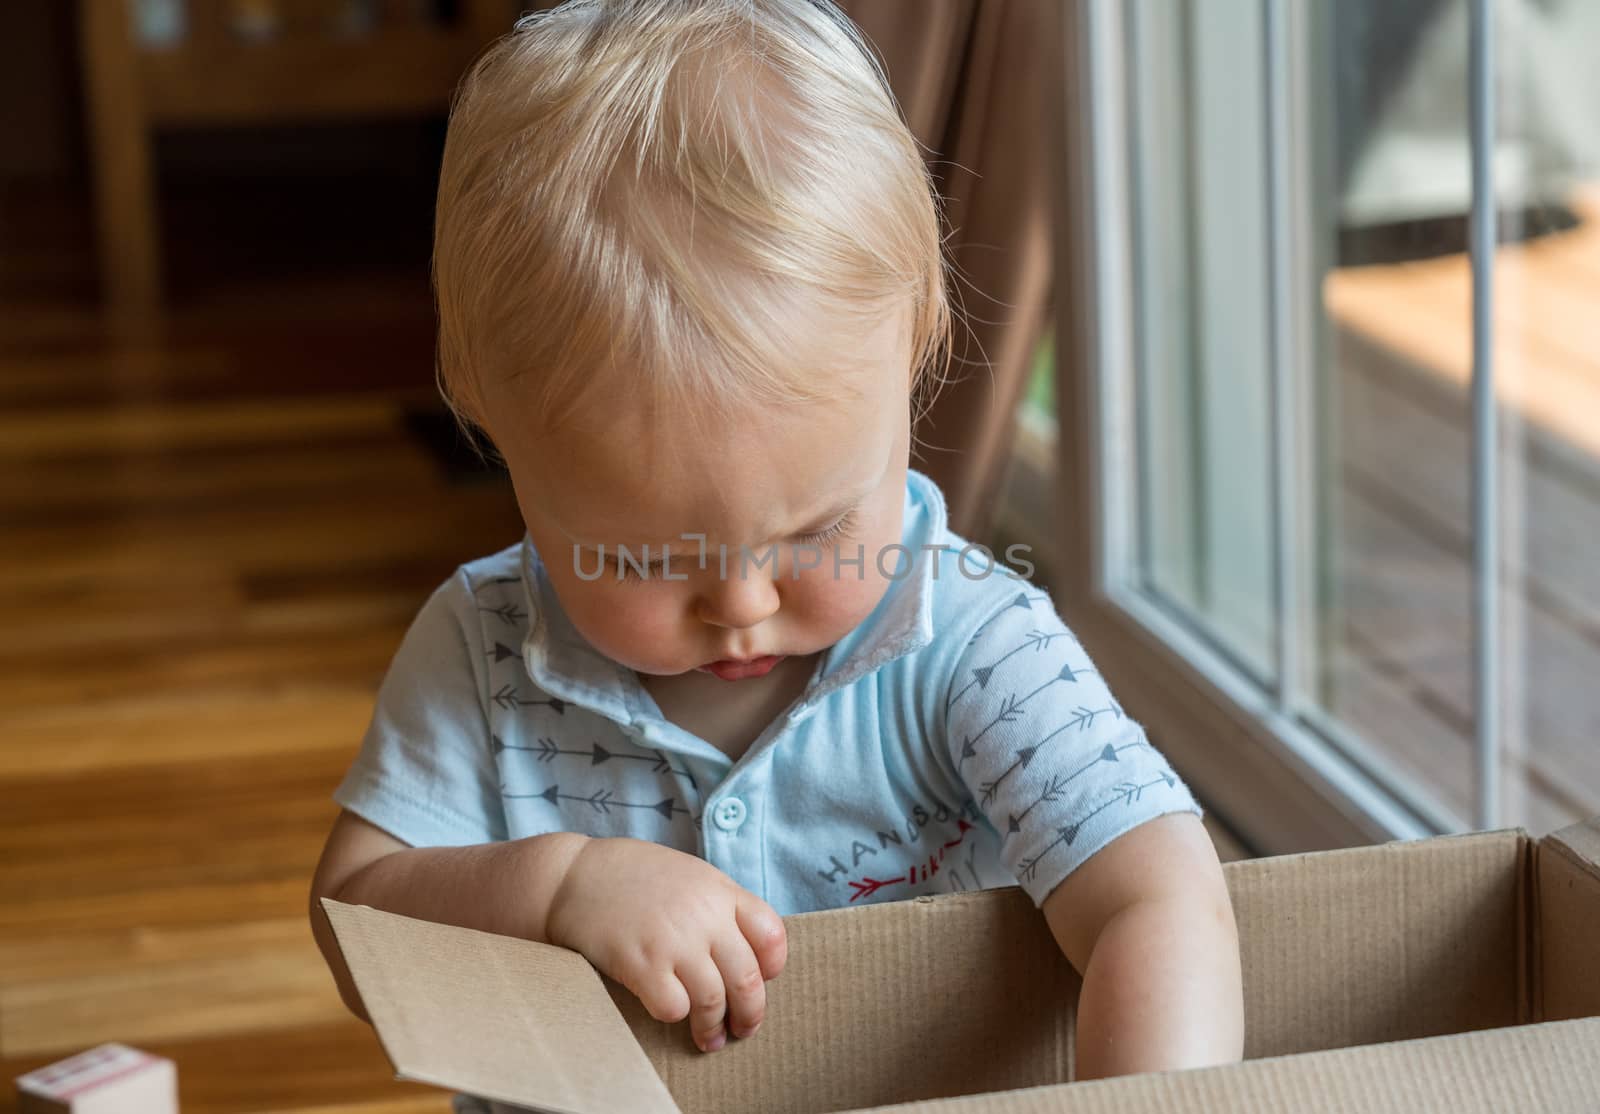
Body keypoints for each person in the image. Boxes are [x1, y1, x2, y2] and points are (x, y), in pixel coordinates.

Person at [307, 2, 1243, 1110]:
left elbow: (1160, 898)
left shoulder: (972, 642)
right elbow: (353, 917)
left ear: (913, 360)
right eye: (645, 555)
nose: (742, 601)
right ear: (499, 445)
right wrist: (555, 886)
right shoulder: (482, 648)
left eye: (816, 532)